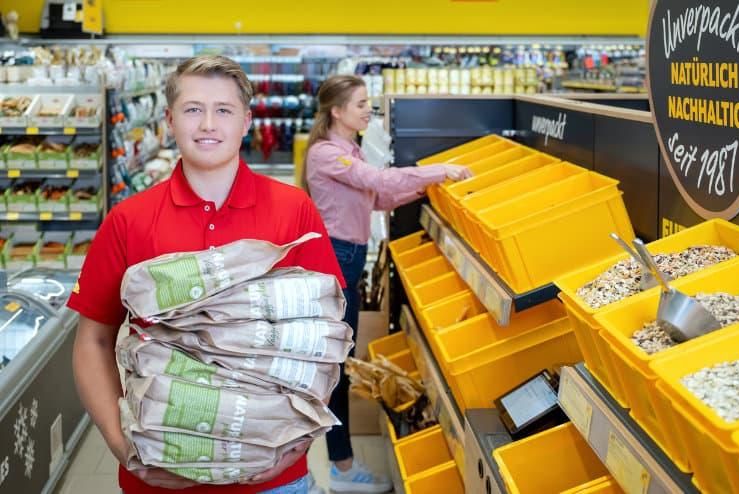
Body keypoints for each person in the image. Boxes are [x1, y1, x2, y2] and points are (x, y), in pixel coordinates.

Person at [68, 55, 344, 494]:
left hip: (274, 480)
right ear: (169, 120)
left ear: (247, 121)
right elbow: (93, 339)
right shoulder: (129, 219)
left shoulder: (294, 211)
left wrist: (299, 436)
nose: (208, 124)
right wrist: (121, 444)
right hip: (159, 478)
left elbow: (326, 336)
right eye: (193, 109)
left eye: (224, 110)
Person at [304, 75, 472, 493]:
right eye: (361, 104)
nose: (368, 111)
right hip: (336, 257)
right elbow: (378, 183)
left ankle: (342, 462)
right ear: (337, 111)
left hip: (350, 256)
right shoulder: (328, 154)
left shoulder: (350, 151)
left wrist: (430, 186)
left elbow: (378, 199)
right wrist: (438, 169)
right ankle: (341, 467)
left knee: (340, 361)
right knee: (335, 366)